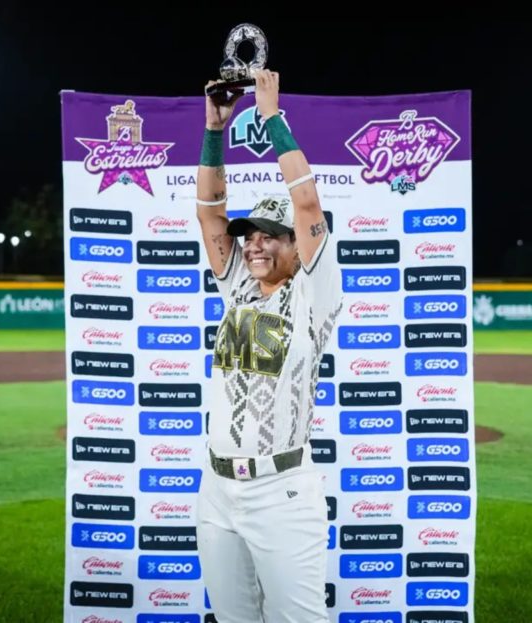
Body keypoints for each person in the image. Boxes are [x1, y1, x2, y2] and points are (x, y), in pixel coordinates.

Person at [194, 69, 343, 623]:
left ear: (296, 245)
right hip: (217, 489)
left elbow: (307, 206)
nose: (254, 246)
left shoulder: (314, 293)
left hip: (282, 491)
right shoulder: (237, 286)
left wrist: (270, 116)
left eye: (269, 237)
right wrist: (214, 129)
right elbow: (210, 212)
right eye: (250, 237)